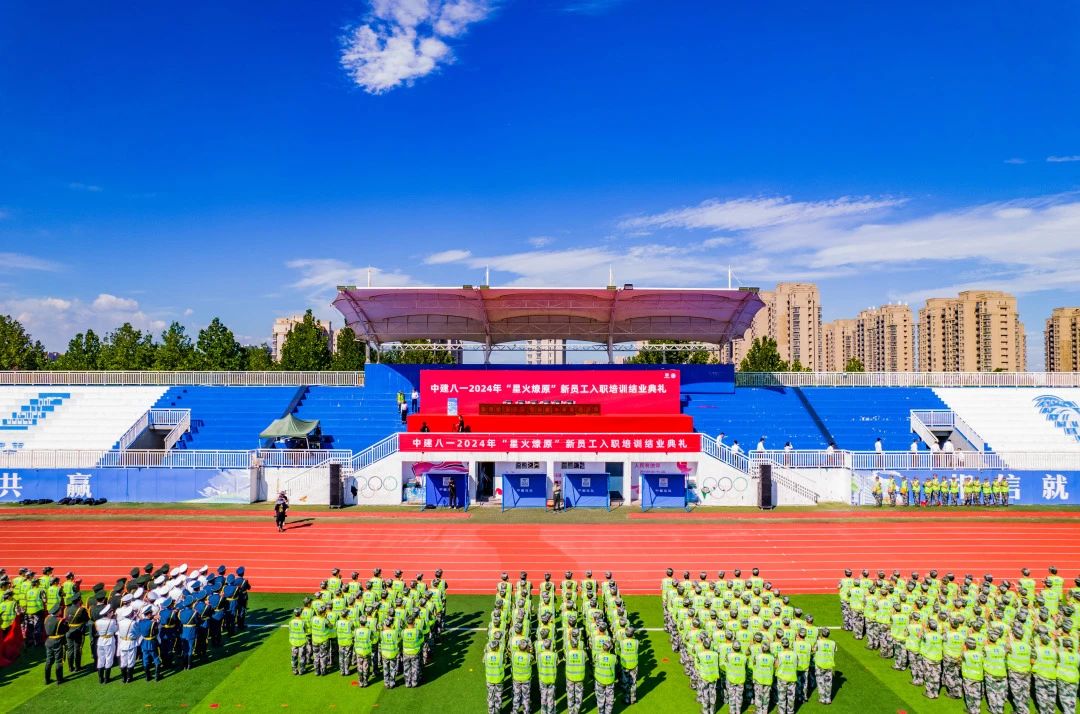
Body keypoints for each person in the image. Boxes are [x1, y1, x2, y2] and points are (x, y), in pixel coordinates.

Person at [43, 604, 68, 685]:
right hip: (58, 641)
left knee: (49, 661)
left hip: (48, 641)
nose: (61, 611)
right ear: (57, 611)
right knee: (59, 660)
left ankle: (47, 679)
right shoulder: (60, 620)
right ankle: (59, 679)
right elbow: (66, 629)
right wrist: (66, 622)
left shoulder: (47, 618)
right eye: (60, 610)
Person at [695, 637, 719, 714]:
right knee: (713, 693)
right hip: (713, 676)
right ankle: (712, 711)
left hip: (704, 676)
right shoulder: (715, 654)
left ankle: (705, 710)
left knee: (705, 693)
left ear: (703, 645)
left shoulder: (700, 654)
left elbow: (698, 663)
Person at [960, 637, 984, 714]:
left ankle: (971, 710)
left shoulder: (965, 654)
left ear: (966, 645)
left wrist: (964, 648)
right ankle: (977, 710)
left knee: (969, 694)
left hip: (968, 676)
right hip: (978, 676)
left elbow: (961, 656)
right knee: (977, 693)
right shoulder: (980, 654)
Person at [95, 604, 117, 684]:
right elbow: (115, 629)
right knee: (109, 659)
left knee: (100, 659)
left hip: (100, 641)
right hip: (109, 640)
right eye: (110, 612)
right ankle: (106, 679)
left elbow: (98, 630)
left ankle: (100, 678)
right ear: (108, 613)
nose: (112, 613)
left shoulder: (97, 621)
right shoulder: (112, 621)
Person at [594, 639, 617, 714]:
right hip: (610, 680)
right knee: (609, 699)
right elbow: (616, 662)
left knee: (600, 698)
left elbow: (594, 660)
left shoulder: (598, 656)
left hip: (599, 680)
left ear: (603, 647)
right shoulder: (613, 657)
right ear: (610, 648)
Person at [565, 634, 587, 714]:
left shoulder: (567, 653)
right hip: (579, 677)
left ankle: (571, 711)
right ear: (577, 644)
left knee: (570, 695)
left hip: (570, 677)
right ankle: (576, 710)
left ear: (571, 644)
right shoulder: (583, 653)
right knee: (579, 694)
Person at [510, 639, 533, 714]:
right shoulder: (529, 657)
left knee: (516, 695)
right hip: (526, 679)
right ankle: (526, 711)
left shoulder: (513, 655)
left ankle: (515, 711)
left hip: (516, 678)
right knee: (526, 696)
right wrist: (529, 651)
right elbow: (532, 656)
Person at [752, 641, 775, 713]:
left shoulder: (757, 656)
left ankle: (759, 711)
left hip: (758, 679)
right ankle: (765, 711)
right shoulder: (772, 657)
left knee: (758, 697)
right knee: (766, 696)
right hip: (768, 679)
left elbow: (753, 663)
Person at [725, 640, 748, 714]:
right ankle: (738, 711)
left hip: (731, 679)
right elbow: (745, 666)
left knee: (731, 696)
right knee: (739, 696)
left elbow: (726, 662)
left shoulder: (728, 655)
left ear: (732, 647)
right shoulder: (744, 657)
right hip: (741, 679)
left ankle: (732, 711)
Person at [814, 628, 836, 704]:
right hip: (829, 665)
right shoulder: (833, 643)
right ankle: (828, 699)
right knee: (828, 683)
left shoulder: (818, 642)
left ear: (821, 634)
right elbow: (835, 650)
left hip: (819, 665)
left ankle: (822, 698)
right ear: (828, 634)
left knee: (820, 682)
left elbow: (814, 649)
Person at [536, 638, 557, 714]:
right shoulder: (554, 655)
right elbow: (556, 663)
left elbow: (538, 666)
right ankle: (550, 712)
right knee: (551, 698)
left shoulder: (539, 655)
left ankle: (543, 712)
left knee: (543, 697)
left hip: (542, 678)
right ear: (550, 646)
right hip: (551, 679)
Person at [619, 626, 639, 704]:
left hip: (625, 665)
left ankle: (626, 698)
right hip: (634, 665)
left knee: (625, 682)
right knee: (633, 683)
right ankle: (633, 699)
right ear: (633, 634)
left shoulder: (622, 642)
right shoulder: (636, 642)